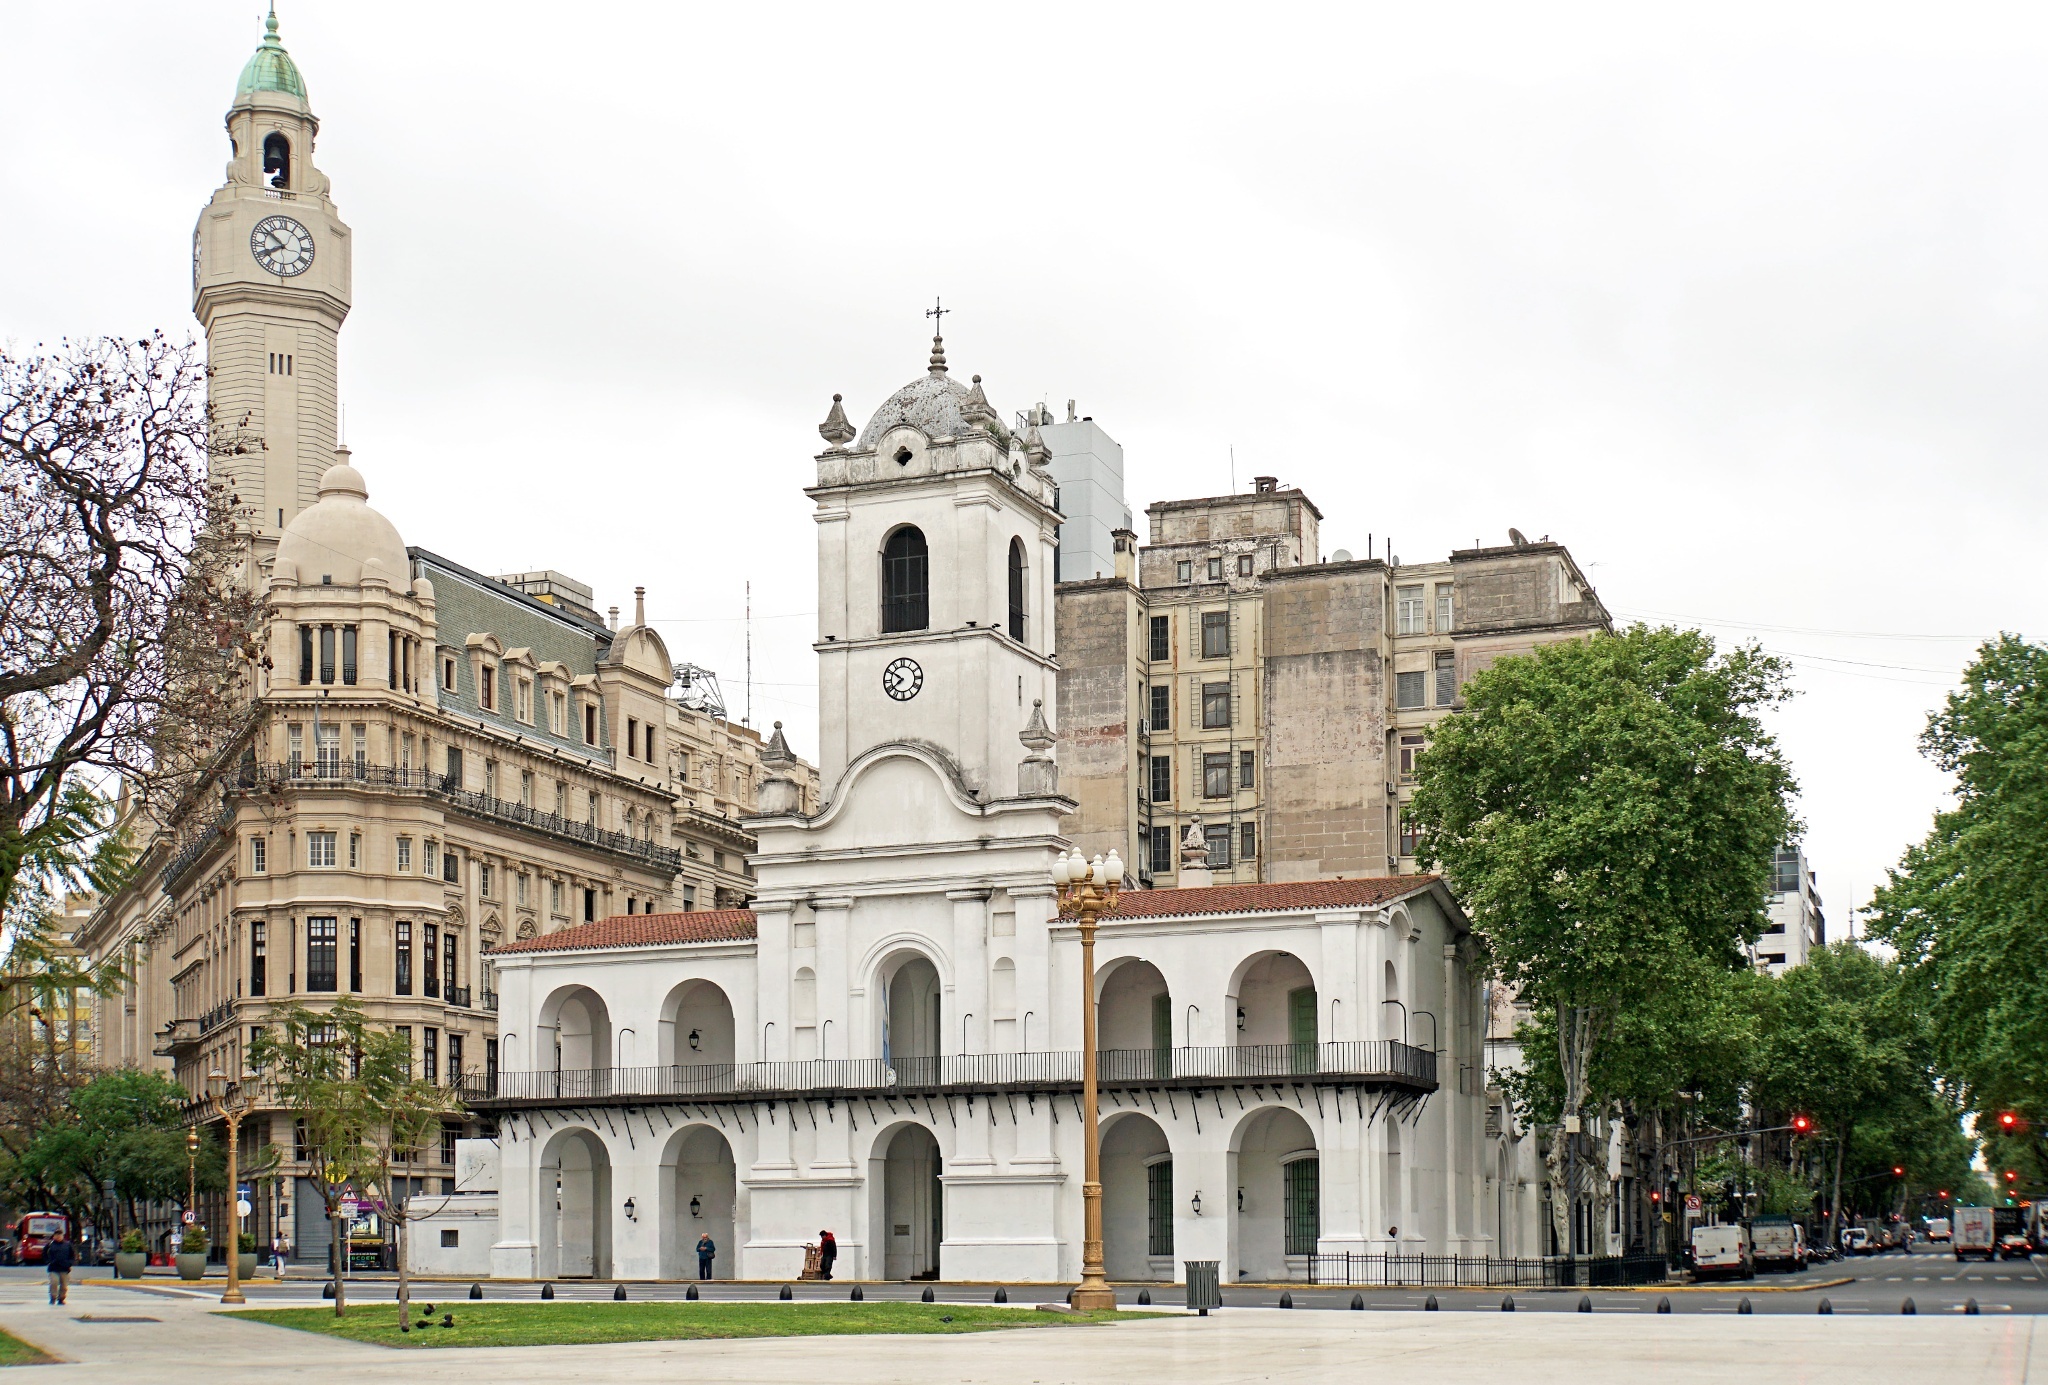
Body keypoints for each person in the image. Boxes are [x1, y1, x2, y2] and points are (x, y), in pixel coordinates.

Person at [44, 1229, 73, 1306]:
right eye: (57, 1235)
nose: (58, 1237)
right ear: (54, 1236)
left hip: (64, 1268)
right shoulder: (50, 1245)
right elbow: (44, 1254)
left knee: (64, 1285)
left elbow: (72, 1255)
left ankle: (61, 1299)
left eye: (60, 1235)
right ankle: (53, 1297)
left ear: (62, 1236)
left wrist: (69, 1264)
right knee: (54, 1282)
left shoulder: (68, 1245)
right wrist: (48, 1261)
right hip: (53, 1268)